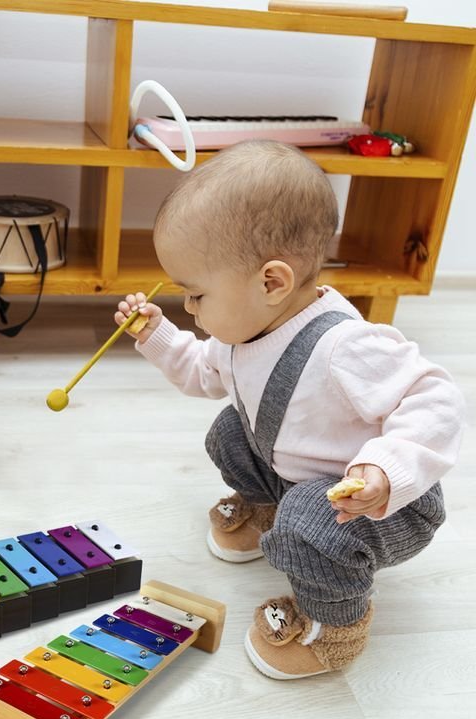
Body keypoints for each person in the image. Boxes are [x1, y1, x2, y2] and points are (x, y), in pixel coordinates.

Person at [115, 140, 464, 679]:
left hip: (376, 504)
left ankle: (336, 627)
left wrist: (385, 470)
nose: (188, 307)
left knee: (308, 524)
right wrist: (156, 334)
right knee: (231, 430)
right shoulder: (244, 332)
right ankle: (266, 509)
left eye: (197, 295)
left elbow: (434, 398)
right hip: (295, 477)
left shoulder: (346, 346)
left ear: (271, 282)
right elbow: (204, 373)